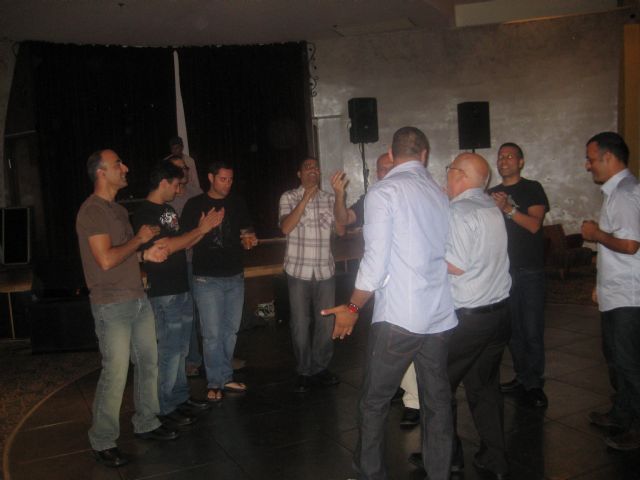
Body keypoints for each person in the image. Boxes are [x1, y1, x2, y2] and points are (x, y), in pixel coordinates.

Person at [322, 126, 457, 480]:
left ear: (392, 155)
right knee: (437, 403)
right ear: (424, 154)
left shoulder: (384, 192)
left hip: (400, 316)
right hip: (439, 315)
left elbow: (375, 263)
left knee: (373, 402)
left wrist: (353, 308)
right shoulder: (439, 193)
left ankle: (371, 474)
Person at [408, 153, 512, 479]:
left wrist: (420, 253)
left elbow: (455, 265)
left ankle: (446, 457)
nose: (446, 175)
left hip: (468, 318)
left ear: (461, 176)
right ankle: (495, 459)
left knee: (436, 385)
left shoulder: (459, 212)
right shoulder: (490, 207)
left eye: (450, 170)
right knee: (484, 387)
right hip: (497, 314)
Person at [76, 149, 178, 468]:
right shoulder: (92, 211)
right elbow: (106, 259)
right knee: (116, 372)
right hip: (111, 305)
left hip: (137, 298)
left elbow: (123, 255)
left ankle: (146, 421)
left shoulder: (119, 210)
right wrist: (140, 239)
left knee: (149, 363)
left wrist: (145, 256)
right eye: (118, 163)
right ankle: (103, 440)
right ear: (101, 172)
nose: (126, 167)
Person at [132, 160, 223, 426]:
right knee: (170, 351)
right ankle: (165, 405)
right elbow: (166, 247)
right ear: (163, 183)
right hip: (164, 292)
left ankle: (180, 398)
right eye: (176, 185)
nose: (179, 190)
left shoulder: (169, 210)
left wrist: (203, 230)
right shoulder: (145, 213)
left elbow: (184, 242)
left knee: (181, 349)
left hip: (181, 286)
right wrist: (198, 231)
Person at [581, 132, 640, 451]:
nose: (587, 165)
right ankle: (621, 414)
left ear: (608, 157)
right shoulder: (618, 191)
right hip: (617, 291)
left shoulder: (625, 193)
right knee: (617, 360)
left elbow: (630, 245)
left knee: (629, 364)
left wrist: (595, 234)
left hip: (629, 296)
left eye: (591, 159)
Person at [181, 161, 258, 403]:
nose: (227, 184)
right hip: (207, 279)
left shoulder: (237, 203)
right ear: (210, 178)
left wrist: (249, 239)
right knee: (212, 334)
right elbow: (185, 243)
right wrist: (204, 228)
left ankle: (225, 377)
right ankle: (214, 382)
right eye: (223, 179)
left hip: (234, 276)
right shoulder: (195, 205)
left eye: (230, 179)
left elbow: (246, 232)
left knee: (230, 331)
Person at [488, 143, 550, 408]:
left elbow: (534, 225)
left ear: (521, 162)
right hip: (503, 272)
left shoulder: (532, 188)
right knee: (512, 331)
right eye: (500, 157)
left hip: (530, 269)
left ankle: (534, 384)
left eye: (510, 156)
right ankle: (522, 376)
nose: (504, 160)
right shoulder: (490, 193)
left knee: (532, 329)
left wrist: (508, 209)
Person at [279, 157, 345, 394]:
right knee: (300, 323)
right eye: (307, 167)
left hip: (325, 270)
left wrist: (339, 196)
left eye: (316, 167)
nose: (312, 170)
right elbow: (285, 227)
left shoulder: (329, 198)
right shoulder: (288, 197)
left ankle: (320, 367)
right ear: (299, 173)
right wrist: (305, 198)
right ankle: (304, 370)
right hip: (298, 270)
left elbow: (341, 229)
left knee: (325, 324)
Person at [165, 136, 204, 378]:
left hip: (202, 260)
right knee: (187, 312)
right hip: (183, 261)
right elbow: (175, 234)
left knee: (203, 311)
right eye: (181, 168)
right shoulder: (169, 199)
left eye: (187, 168)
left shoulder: (195, 192)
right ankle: (191, 359)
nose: (186, 171)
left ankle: (211, 357)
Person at [332, 152, 393, 228]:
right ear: (377, 174)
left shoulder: (406, 192)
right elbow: (344, 220)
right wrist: (339, 196)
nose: (388, 172)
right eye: (383, 169)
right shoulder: (371, 198)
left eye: (392, 168)